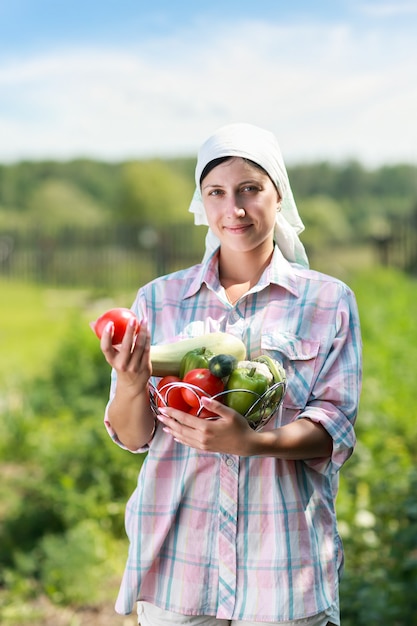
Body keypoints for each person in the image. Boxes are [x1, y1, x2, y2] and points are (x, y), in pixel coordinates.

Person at [101, 123, 362, 626]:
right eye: (216, 192)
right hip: (180, 562)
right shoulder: (157, 300)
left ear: (278, 195)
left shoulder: (329, 301)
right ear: (202, 203)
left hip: (284, 564)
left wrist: (254, 443)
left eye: (250, 189)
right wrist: (133, 381)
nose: (234, 209)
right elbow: (134, 437)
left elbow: (335, 425)